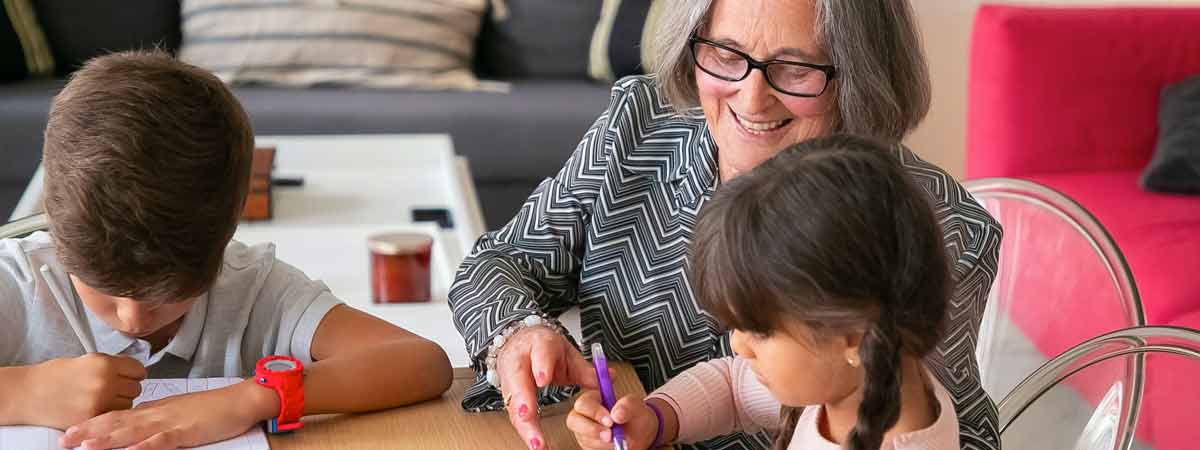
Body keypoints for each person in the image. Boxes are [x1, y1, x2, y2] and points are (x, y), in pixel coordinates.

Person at [448, 0, 1003, 449]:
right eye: (725, 53)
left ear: (859, 73)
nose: (752, 96)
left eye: (795, 68)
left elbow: (960, 433)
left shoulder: (933, 227)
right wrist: (521, 334)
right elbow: (497, 264)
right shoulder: (640, 128)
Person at [0, 50, 453, 450]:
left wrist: (249, 398)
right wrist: (23, 391)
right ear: (58, 236)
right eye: (103, 288)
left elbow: (421, 361)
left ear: (221, 241)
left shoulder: (253, 289)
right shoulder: (20, 282)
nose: (133, 319)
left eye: (164, 295)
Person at [568, 135, 959, 450]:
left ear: (853, 335)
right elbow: (734, 388)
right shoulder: (862, 376)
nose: (738, 346)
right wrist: (655, 420)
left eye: (759, 331)